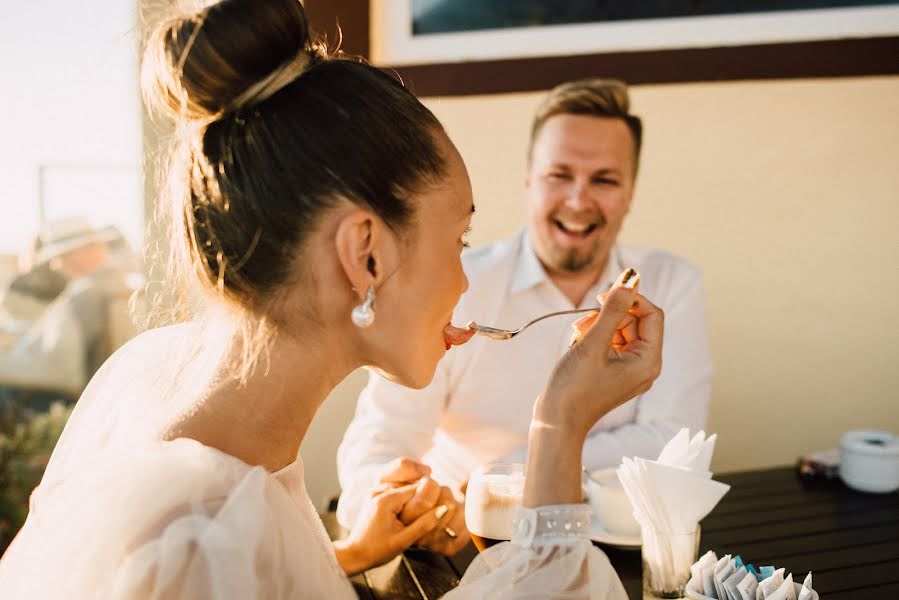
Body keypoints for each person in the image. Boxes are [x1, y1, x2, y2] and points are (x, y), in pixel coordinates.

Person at [0, 1, 663, 598]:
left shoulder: (156, 370)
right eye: (458, 238)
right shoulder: (194, 540)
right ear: (364, 252)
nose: (465, 279)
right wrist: (559, 425)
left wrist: (344, 555)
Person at [336, 78, 713, 547]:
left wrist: (513, 469)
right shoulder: (458, 283)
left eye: (605, 179)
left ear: (631, 192)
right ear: (529, 179)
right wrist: (401, 502)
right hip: (463, 538)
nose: (578, 201)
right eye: (559, 174)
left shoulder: (671, 285)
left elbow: (674, 444)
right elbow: (378, 443)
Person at [0, 218, 136, 401]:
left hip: (52, 397)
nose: (55, 265)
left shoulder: (85, 295)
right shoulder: (111, 288)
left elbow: (57, 369)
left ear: (79, 253)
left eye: (59, 257)